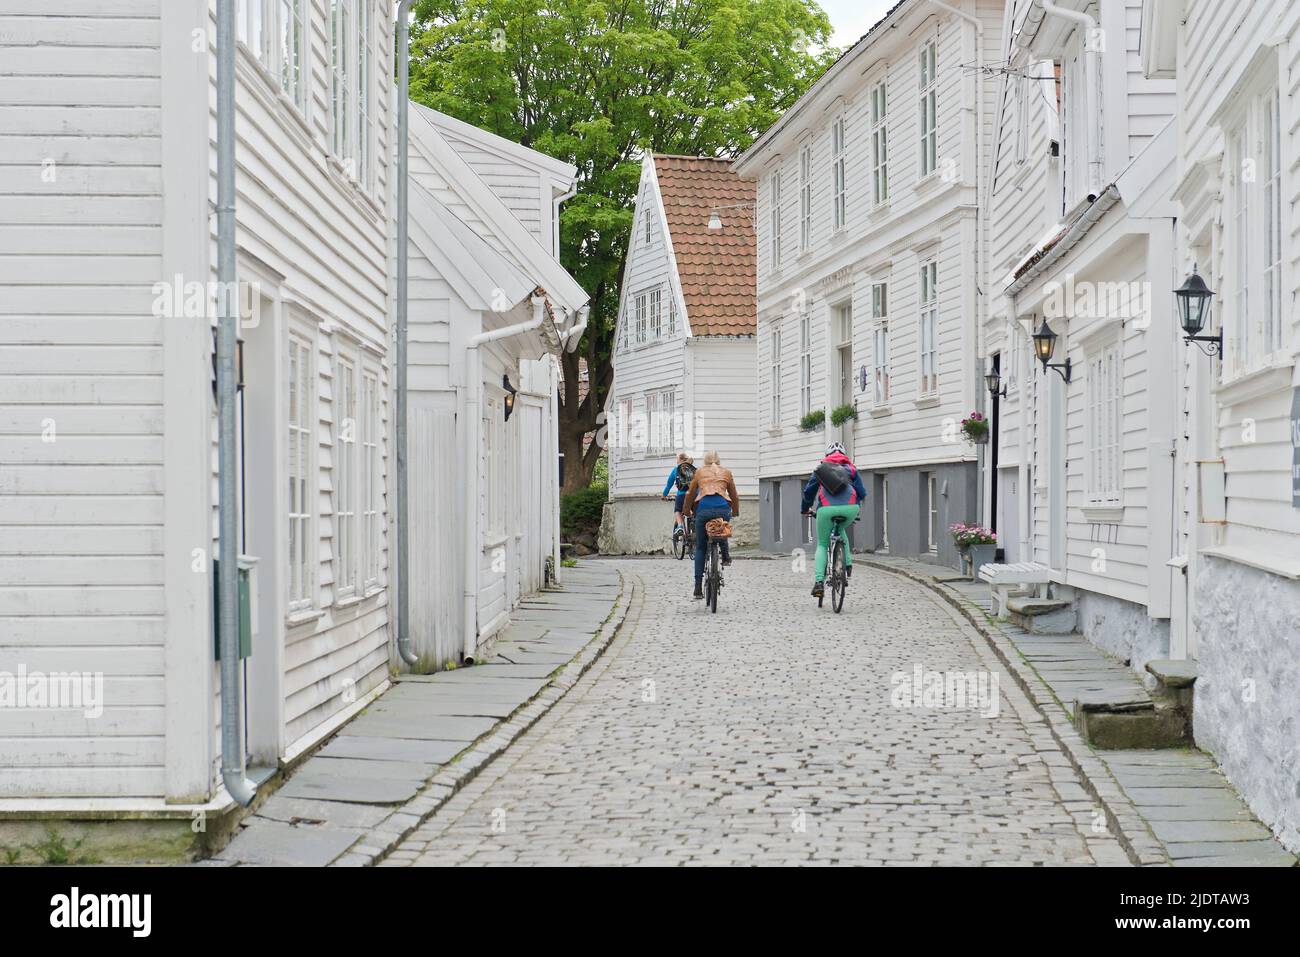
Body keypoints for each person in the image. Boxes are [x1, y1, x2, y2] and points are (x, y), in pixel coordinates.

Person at [800, 442, 867, 599]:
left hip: (826, 510)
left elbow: (809, 492)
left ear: (827, 455)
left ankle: (818, 583)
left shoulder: (821, 470)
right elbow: (862, 493)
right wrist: (855, 506)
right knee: (841, 529)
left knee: (822, 544)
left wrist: (805, 508)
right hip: (850, 509)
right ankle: (848, 565)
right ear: (844, 454)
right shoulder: (851, 469)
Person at [681, 450, 739, 599]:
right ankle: (725, 556)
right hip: (722, 508)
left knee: (701, 547)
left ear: (704, 461)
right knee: (721, 528)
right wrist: (735, 512)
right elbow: (734, 495)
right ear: (718, 461)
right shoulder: (726, 472)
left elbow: (689, 494)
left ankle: (698, 587)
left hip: (703, 509)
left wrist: (687, 511)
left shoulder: (699, 473)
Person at [661, 453, 696, 533]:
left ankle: (680, 526)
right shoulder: (693, 469)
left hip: (681, 495)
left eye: (677, 460)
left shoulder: (676, 470)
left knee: (678, 511)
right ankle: (695, 524)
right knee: (694, 511)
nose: (676, 461)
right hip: (693, 495)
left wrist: (664, 495)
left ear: (681, 460)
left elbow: (668, 485)